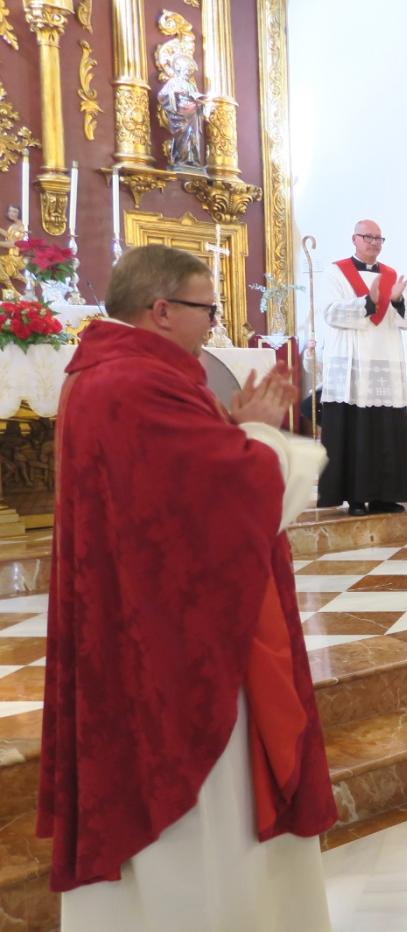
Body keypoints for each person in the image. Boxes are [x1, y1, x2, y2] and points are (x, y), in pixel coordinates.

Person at [39, 245, 337, 929]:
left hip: (148, 618)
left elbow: (171, 491)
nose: (214, 325)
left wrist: (234, 427)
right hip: (173, 648)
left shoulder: (117, 372)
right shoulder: (133, 384)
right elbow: (225, 494)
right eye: (207, 309)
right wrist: (259, 437)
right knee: (203, 821)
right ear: (162, 309)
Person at [317, 219, 407, 516]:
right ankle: (356, 497)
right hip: (352, 365)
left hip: (384, 364)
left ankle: (385, 495)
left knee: (385, 431)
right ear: (355, 239)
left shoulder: (390, 275)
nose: (374, 242)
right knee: (356, 431)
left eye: (379, 238)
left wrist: (398, 299)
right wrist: (368, 301)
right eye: (368, 237)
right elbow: (331, 312)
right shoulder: (335, 272)